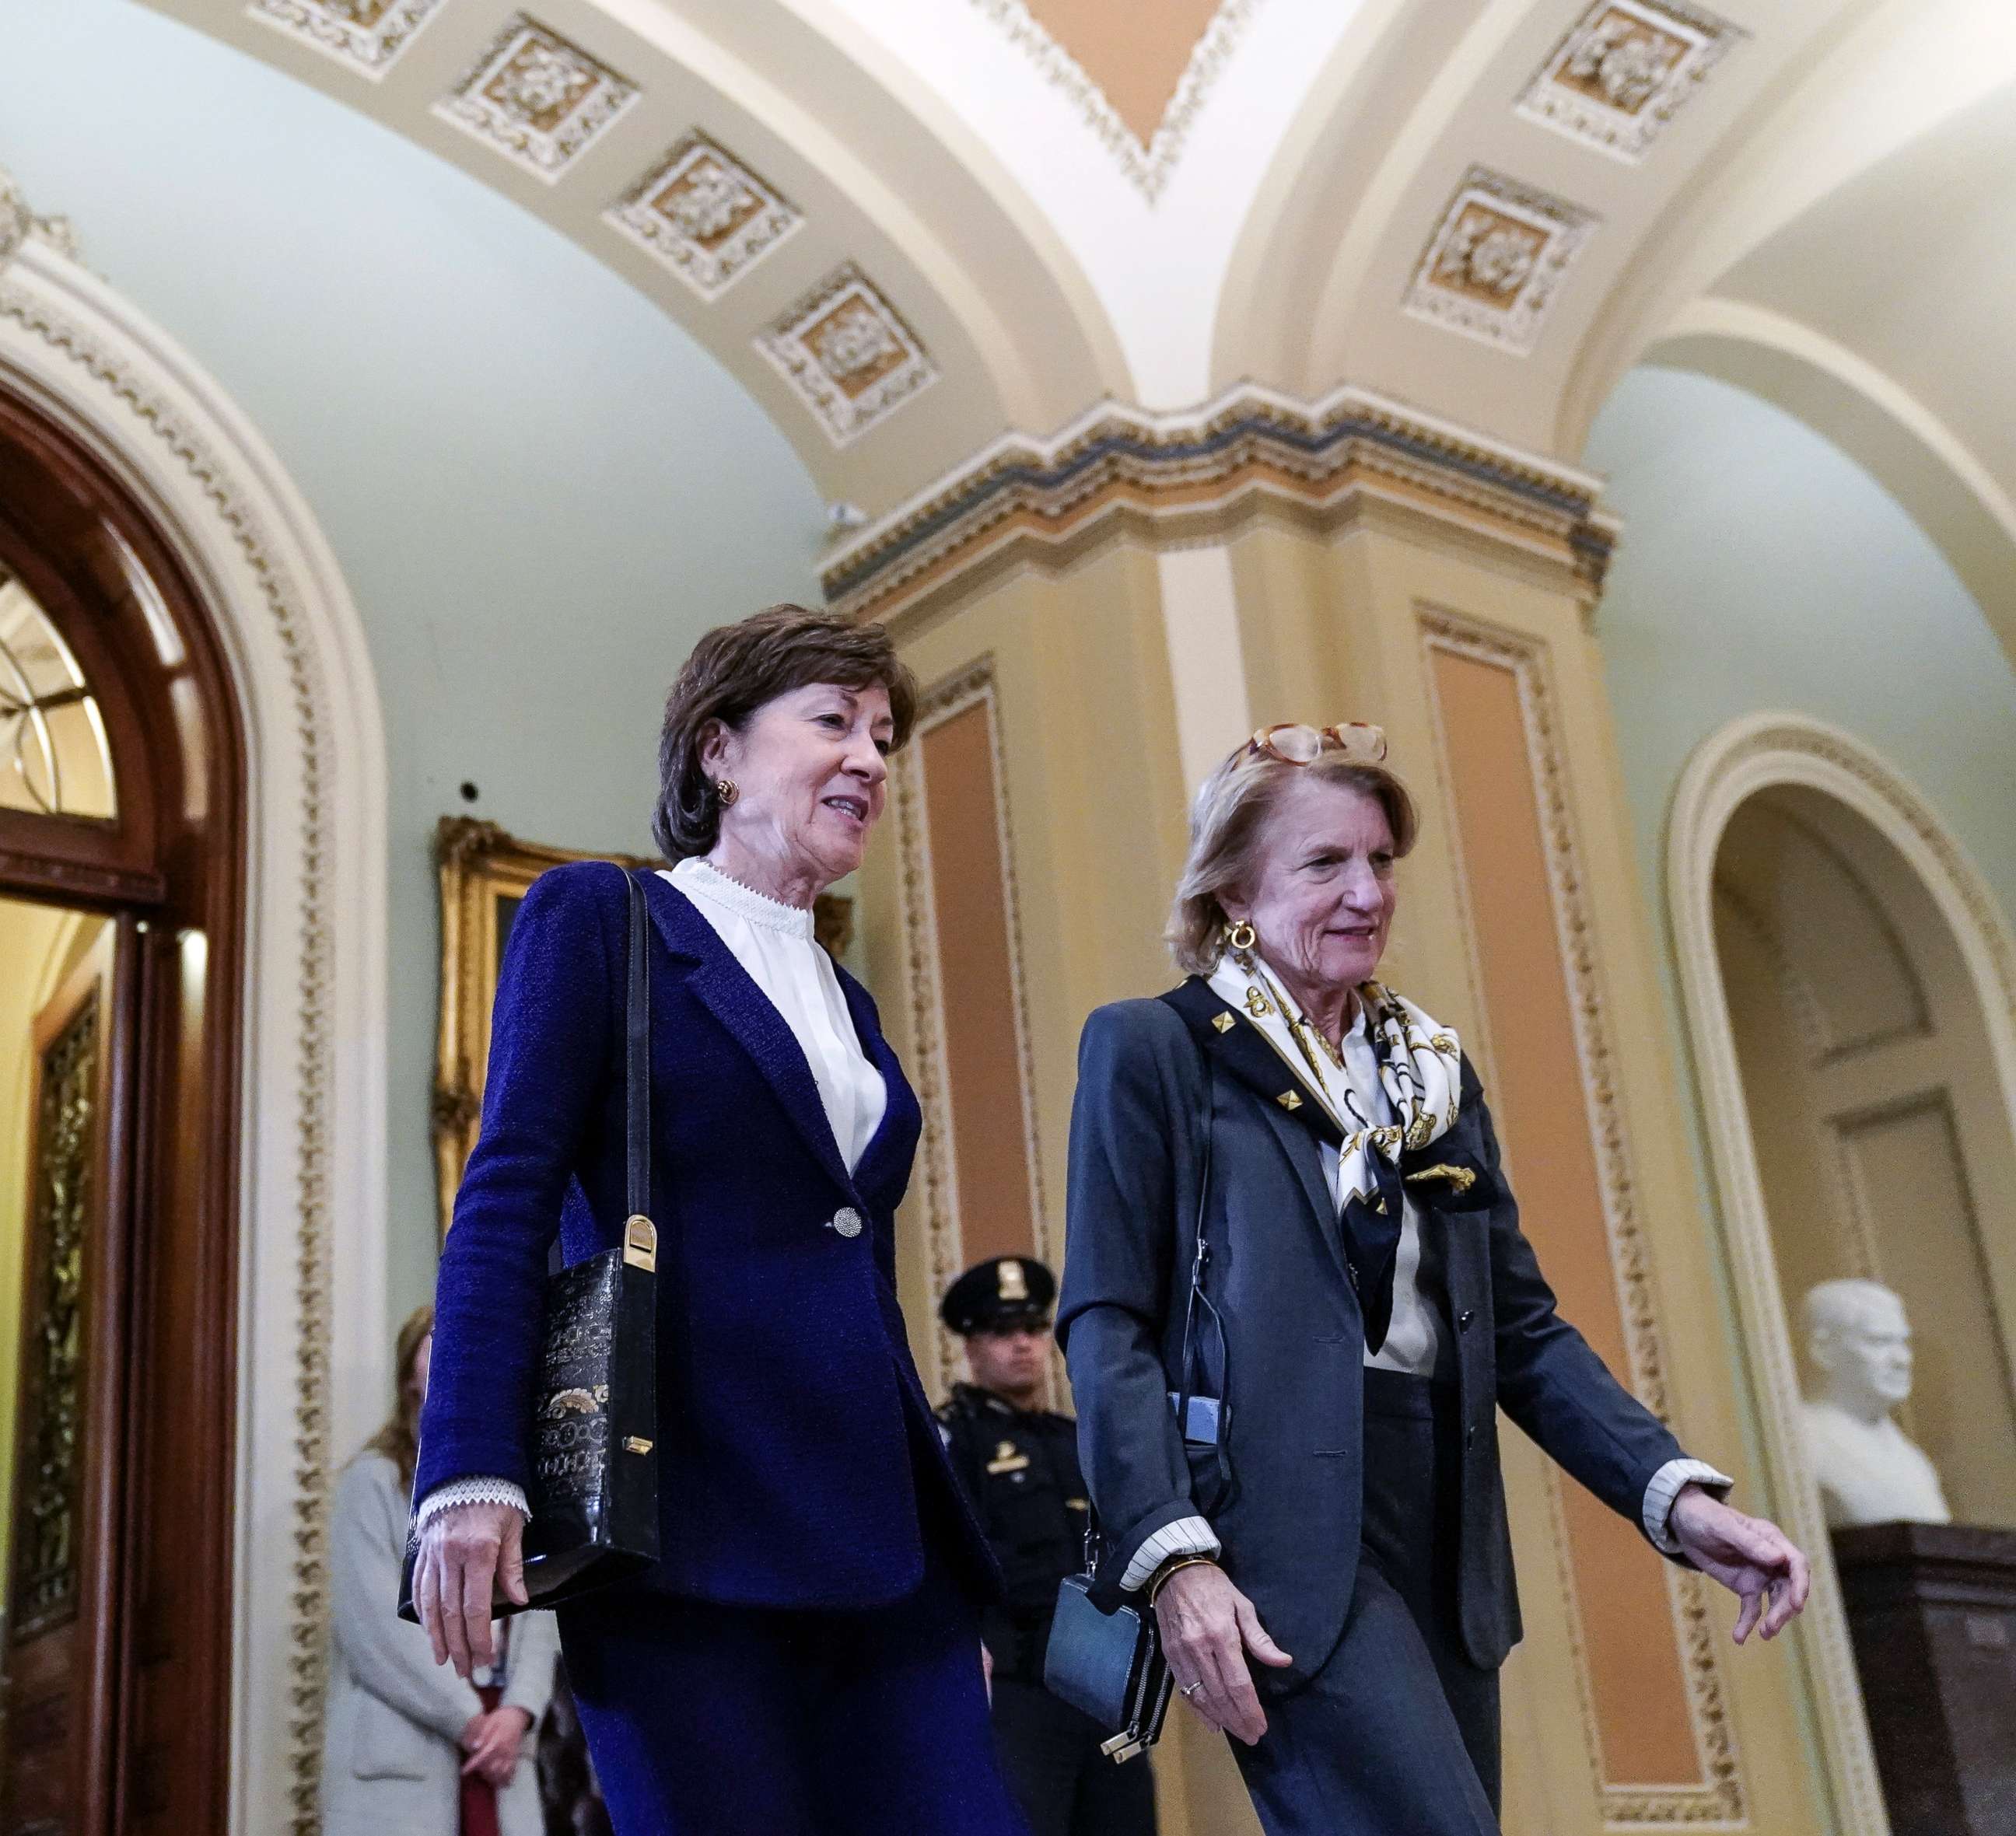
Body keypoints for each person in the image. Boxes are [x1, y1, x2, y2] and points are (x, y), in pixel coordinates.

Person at [1059, 720, 1811, 1835]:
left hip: (1443, 1529)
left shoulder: (1432, 1077)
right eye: (1324, 864)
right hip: (1275, 1533)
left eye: (1380, 860)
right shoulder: (1156, 1049)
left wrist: (1674, 1495)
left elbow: (1521, 1329)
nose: (1367, 891)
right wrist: (1170, 1552)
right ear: (1232, 892)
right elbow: (1109, 1321)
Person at [408, 606, 1027, 1836]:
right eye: (833, 722)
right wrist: (470, 1465)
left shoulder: (845, 999)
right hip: (685, 1529)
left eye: (885, 735)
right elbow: (507, 1191)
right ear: (718, 752)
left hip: (883, 1542)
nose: (870, 758)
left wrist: (949, 1578)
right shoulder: (602, 918)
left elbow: (865, 1281)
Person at [937, 1256, 1158, 1836]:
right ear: (970, 1343)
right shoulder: (955, 1440)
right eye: (1003, 1332)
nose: (1023, 1346)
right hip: (1018, 1687)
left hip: (1104, 1686)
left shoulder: (1076, 1439)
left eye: (1034, 1330)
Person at [324, 1304, 557, 1836]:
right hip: (413, 1748)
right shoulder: (372, 1481)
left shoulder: (514, 1483)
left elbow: (540, 1611)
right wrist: (469, 1720)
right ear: (410, 1374)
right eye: (439, 1339)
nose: (458, 1352)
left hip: (503, 1745)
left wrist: (517, 1712)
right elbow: (372, 1632)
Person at [1799, 1277, 1951, 1528]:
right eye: (1879, 1341)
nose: (1902, 1360)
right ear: (1822, 1349)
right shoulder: (1802, 1438)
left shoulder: (1912, 1457)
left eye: (1903, 1342)